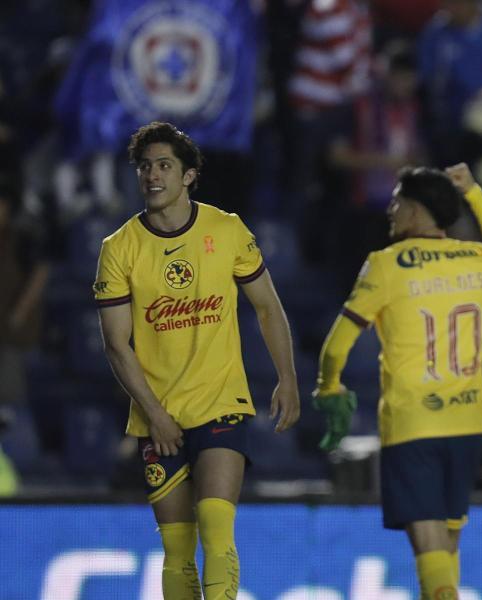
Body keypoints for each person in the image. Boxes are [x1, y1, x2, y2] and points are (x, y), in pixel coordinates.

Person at [94, 122, 300, 600]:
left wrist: (287, 377)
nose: (152, 175)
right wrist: (156, 414)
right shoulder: (118, 249)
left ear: (189, 176)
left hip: (220, 401)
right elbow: (115, 345)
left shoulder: (226, 230)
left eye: (164, 165)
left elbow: (268, 307)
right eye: (145, 166)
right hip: (156, 413)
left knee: (214, 524)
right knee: (178, 548)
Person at [313, 164, 482, 597]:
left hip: (414, 425)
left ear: (416, 208)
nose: (390, 209)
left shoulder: (387, 265)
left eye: (397, 200)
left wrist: (329, 386)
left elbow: (337, 344)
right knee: (446, 547)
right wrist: (475, 193)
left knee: (428, 548)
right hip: (469, 424)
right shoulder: (478, 258)